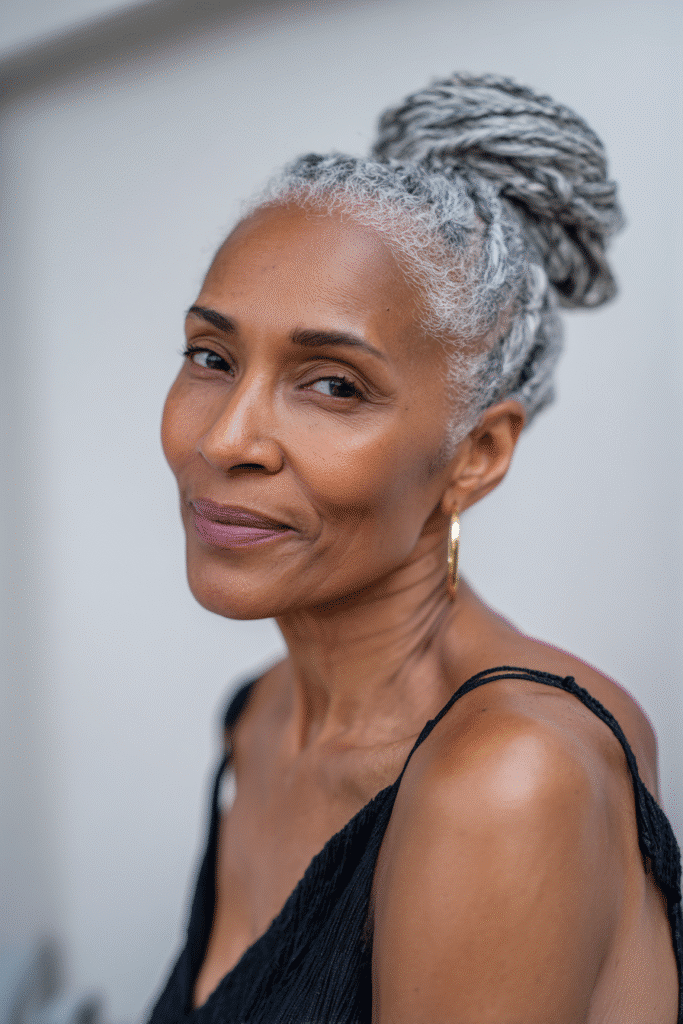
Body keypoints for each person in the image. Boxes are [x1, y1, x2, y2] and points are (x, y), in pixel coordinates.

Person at [147, 73, 682, 1023]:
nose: (224, 439)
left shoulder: (510, 776)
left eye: (335, 385)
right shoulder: (259, 720)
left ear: (475, 455)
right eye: (211, 358)